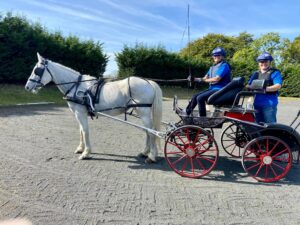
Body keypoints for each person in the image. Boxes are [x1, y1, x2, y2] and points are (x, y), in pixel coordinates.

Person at [185, 47, 231, 116]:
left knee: (200, 98)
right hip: (212, 89)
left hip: (221, 89)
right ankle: (187, 112)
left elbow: (217, 79)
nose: (216, 57)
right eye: (214, 55)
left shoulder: (224, 66)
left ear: (222, 56)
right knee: (195, 96)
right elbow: (204, 78)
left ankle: (202, 118)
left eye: (218, 55)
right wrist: (194, 79)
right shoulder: (212, 67)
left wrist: (205, 80)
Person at [247, 51, 282, 123]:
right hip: (257, 103)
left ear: (269, 62)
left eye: (266, 61)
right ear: (258, 63)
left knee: (270, 125)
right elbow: (248, 85)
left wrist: (265, 89)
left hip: (269, 104)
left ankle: (271, 134)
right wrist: (251, 87)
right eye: (261, 61)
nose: (263, 63)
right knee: (258, 124)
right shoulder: (256, 73)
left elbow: (278, 85)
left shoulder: (275, 72)